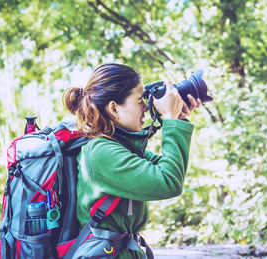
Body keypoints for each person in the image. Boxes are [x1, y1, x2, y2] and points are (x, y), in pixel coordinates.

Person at [62, 63, 202, 258]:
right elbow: (168, 182)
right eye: (139, 100)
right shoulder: (100, 152)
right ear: (114, 108)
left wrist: (177, 118)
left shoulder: (121, 146)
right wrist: (170, 118)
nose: (146, 105)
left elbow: (167, 168)